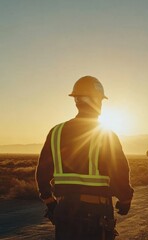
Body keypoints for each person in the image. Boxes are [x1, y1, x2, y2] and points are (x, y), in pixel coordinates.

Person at [35, 76, 134, 240]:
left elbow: (42, 173)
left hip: (64, 211)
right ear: (94, 99)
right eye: (100, 100)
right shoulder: (106, 134)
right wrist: (125, 199)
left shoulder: (56, 132)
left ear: (76, 100)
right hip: (95, 214)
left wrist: (50, 201)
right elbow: (119, 172)